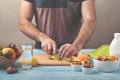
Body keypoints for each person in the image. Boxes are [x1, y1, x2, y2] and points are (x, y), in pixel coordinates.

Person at [19, 0, 96, 59]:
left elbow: (90, 19)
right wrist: (42, 37)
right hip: (43, 52)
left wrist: (77, 45)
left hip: (74, 52)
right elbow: (23, 21)